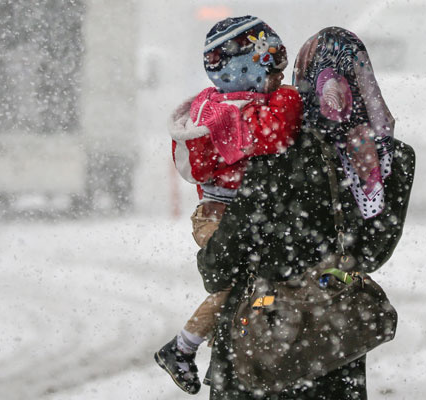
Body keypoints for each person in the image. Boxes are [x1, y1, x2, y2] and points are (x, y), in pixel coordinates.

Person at [196, 27, 415, 399]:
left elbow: (220, 267)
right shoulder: (392, 159)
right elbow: (372, 254)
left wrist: (209, 238)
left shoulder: (276, 150)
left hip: (261, 345)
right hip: (331, 350)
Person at [155, 16, 302, 395]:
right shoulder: (234, 110)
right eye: (271, 68)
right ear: (245, 65)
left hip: (220, 214)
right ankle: (183, 347)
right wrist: (287, 98)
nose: (278, 80)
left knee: (247, 285)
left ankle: (197, 349)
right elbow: (275, 136)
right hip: (221, 218)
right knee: (236, 284)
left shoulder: (213, 104)